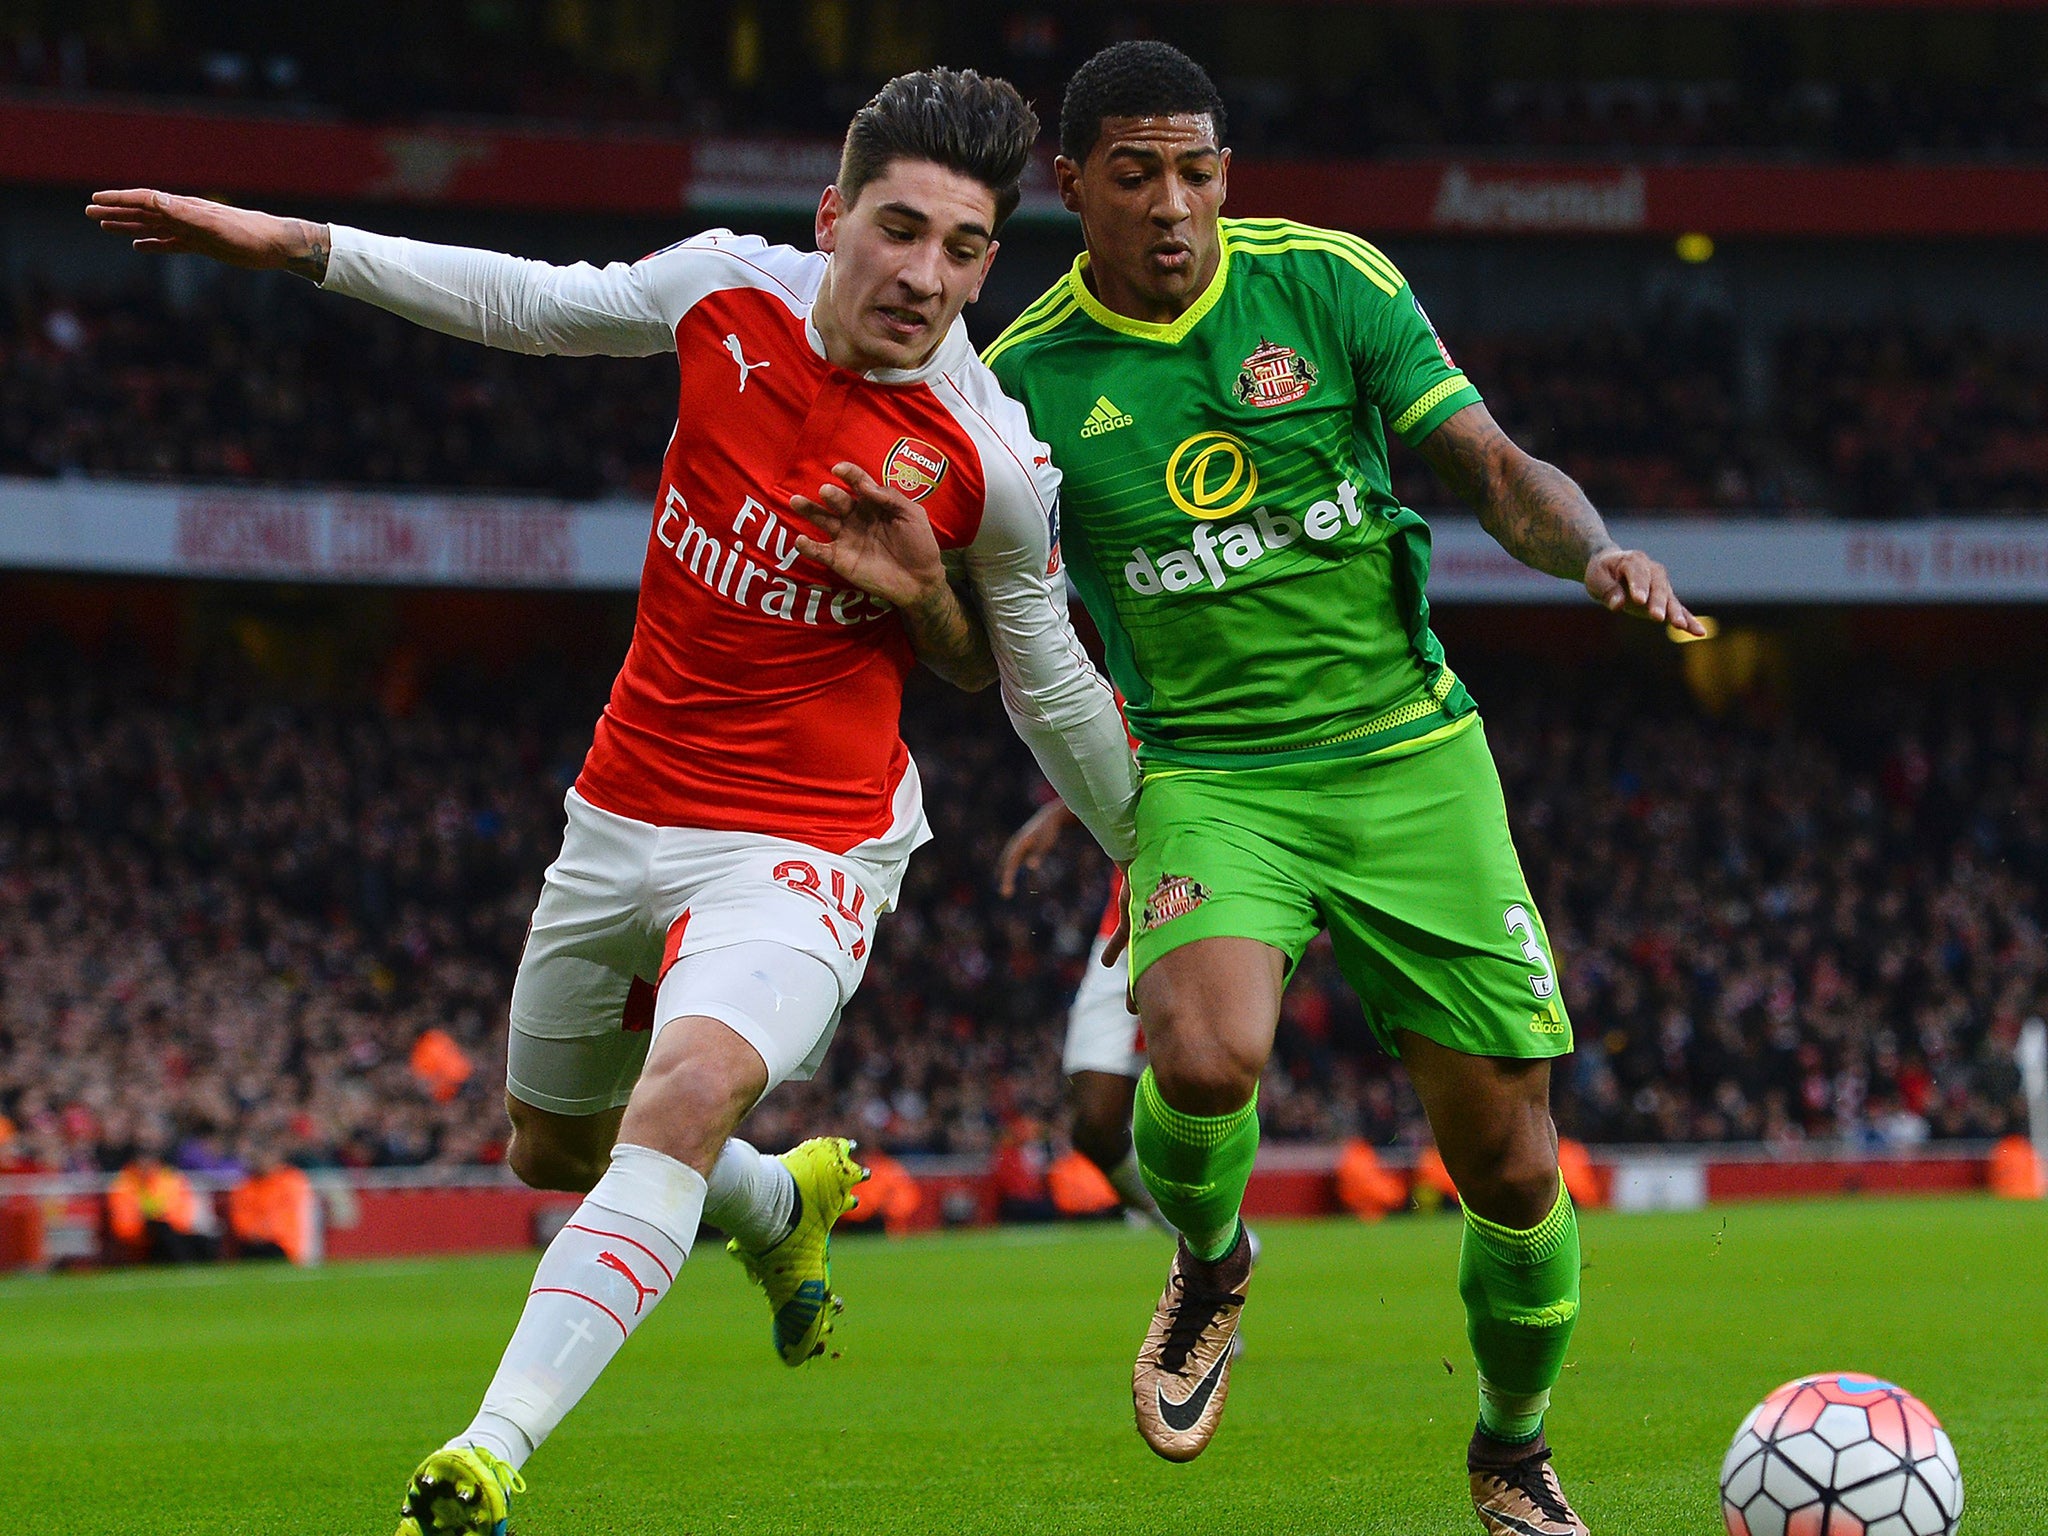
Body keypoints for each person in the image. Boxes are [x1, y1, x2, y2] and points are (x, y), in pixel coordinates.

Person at [90, 66, 1139, 1536]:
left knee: (691, 1090)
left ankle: (486, 1451)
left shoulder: (992, 456)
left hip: (808, 839)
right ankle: (777, 1206)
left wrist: (1167, 849)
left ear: (989, 262)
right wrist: (297, 246)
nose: (923, 276)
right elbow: (531, 302)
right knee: (554, 1152)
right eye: (898, 229)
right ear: (833, 216)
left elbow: (1045, 685)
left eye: (963, 250)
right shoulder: (728, 295)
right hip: (621, 806)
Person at [984, 40, 1702, 1534]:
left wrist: (1599, 550)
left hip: (1409, 757)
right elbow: (1022, 620)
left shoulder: (1332, 284)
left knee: (1509, 1160)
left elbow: (1493, 467)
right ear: (1072, 189)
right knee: (1193, 1059)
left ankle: (1511, 1448)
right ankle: (1216, 1261)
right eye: (1134, 176)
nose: (1171, 205)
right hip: (1214, 774)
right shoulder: (1022, 387)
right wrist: (1078, 771)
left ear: (1225, 175)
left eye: (1196, 171)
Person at [998, 800, 1170, 1231]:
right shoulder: (1132, 729)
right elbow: (1115, 771)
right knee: (1093, 1125)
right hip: (1124, 926)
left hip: (1203, 911)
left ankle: (1212, 1244)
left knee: (1202, 1088)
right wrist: (1057, 815)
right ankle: (1182, 1228)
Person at [107, 1148, 212, 1263]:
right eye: (142, 1163)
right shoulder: (124, 1183)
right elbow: (126, 1215)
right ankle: (183, 1262)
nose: (146, 1167)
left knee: (200, 1238)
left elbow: (176, 1207)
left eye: (149, 1163)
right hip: (139, 1228)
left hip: (170, 1226)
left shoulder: (168, 1178)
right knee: (163, 1230)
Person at [227, 1147, 317, 1263]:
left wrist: (270, 1232)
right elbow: (240, 1216)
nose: (262, 1163)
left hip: (282, 1243)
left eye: (266, 1158)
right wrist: (253, 1233)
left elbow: (289, 1215)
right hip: (252, 1242)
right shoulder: (245, 1186)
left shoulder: (290, 1181)